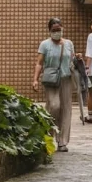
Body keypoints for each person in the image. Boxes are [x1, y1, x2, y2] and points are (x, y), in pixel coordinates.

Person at [33, 17, 75, 152]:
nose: (57, 32)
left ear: (62, 28)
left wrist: (78, 60)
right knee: (54, 106)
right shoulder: (45, 44)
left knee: (66, 110)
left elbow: (71, 60)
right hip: (51, 80)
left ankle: (62, 142)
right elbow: (39, 63)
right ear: (49, 31)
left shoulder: (69, 43)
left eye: (59, 29)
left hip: (66, 79)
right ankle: (48, 136)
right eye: (54, 30)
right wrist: (35, 79)